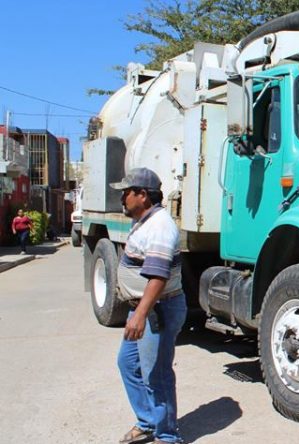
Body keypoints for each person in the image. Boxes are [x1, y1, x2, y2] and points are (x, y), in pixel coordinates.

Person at [112, 168, 187, 444]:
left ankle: (167, 436)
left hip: (158, 310)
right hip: (145, 308)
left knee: (156, 372)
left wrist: (140, 314)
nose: (122, 198)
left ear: (142, 195)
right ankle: (148, 421)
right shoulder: (146, 221)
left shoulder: (159, 226)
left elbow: (158, 276)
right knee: (128, 364)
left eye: (126, 192)